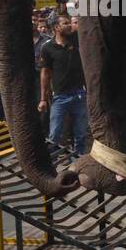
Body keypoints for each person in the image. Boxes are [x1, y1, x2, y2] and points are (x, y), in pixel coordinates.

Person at [39, 13, 89, 157]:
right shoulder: (47, 48)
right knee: (54, 133)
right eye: (65, 23)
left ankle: (77, 160)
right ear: (56, 27)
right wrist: (43, 99)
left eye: (69, 23)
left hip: (79, 94)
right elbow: (45, 73)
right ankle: (51, 162)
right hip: (60, 96)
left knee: (80, 133)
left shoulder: (76, 40)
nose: (69, 25)